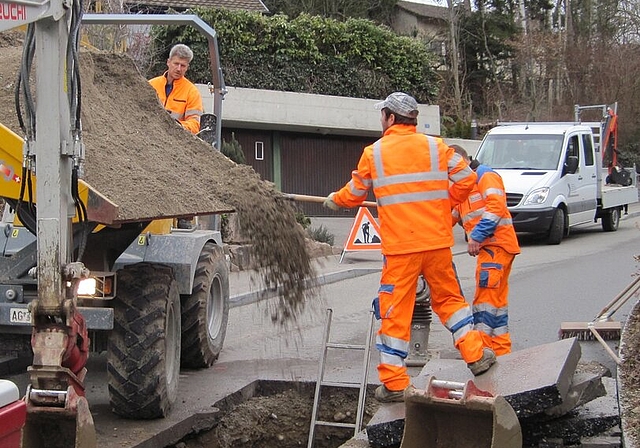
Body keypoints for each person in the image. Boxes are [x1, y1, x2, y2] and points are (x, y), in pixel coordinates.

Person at [324, 92, 496, 403]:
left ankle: (394, 383)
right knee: (450, 301)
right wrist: (444, 204)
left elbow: (355, 192)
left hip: (402, 249)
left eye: (382, 116)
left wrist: (334, 200)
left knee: (395, 312)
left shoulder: (374, 153)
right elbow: (468, 179)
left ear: (390, 118)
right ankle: (475, 354)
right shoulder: (436, 147)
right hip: (436, 243)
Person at [450, 145, 520, 356]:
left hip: (495, 246)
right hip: (495, 249)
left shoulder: (484, 176)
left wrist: (477, 237)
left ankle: (482, 353)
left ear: (460, 160)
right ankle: (500, 352)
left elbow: (496, 207)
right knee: (496, 306)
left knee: (485, 304)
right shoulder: (466, 185)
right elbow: (448, 215)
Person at [149, 44, 204, 135]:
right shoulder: (151, 85)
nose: (178, 69)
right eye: (176, 64)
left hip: (174, 140)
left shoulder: (192, 92)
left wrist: (174, 125)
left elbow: (195, 125)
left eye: (183, 66)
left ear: (187, 68)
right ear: (168, 62)